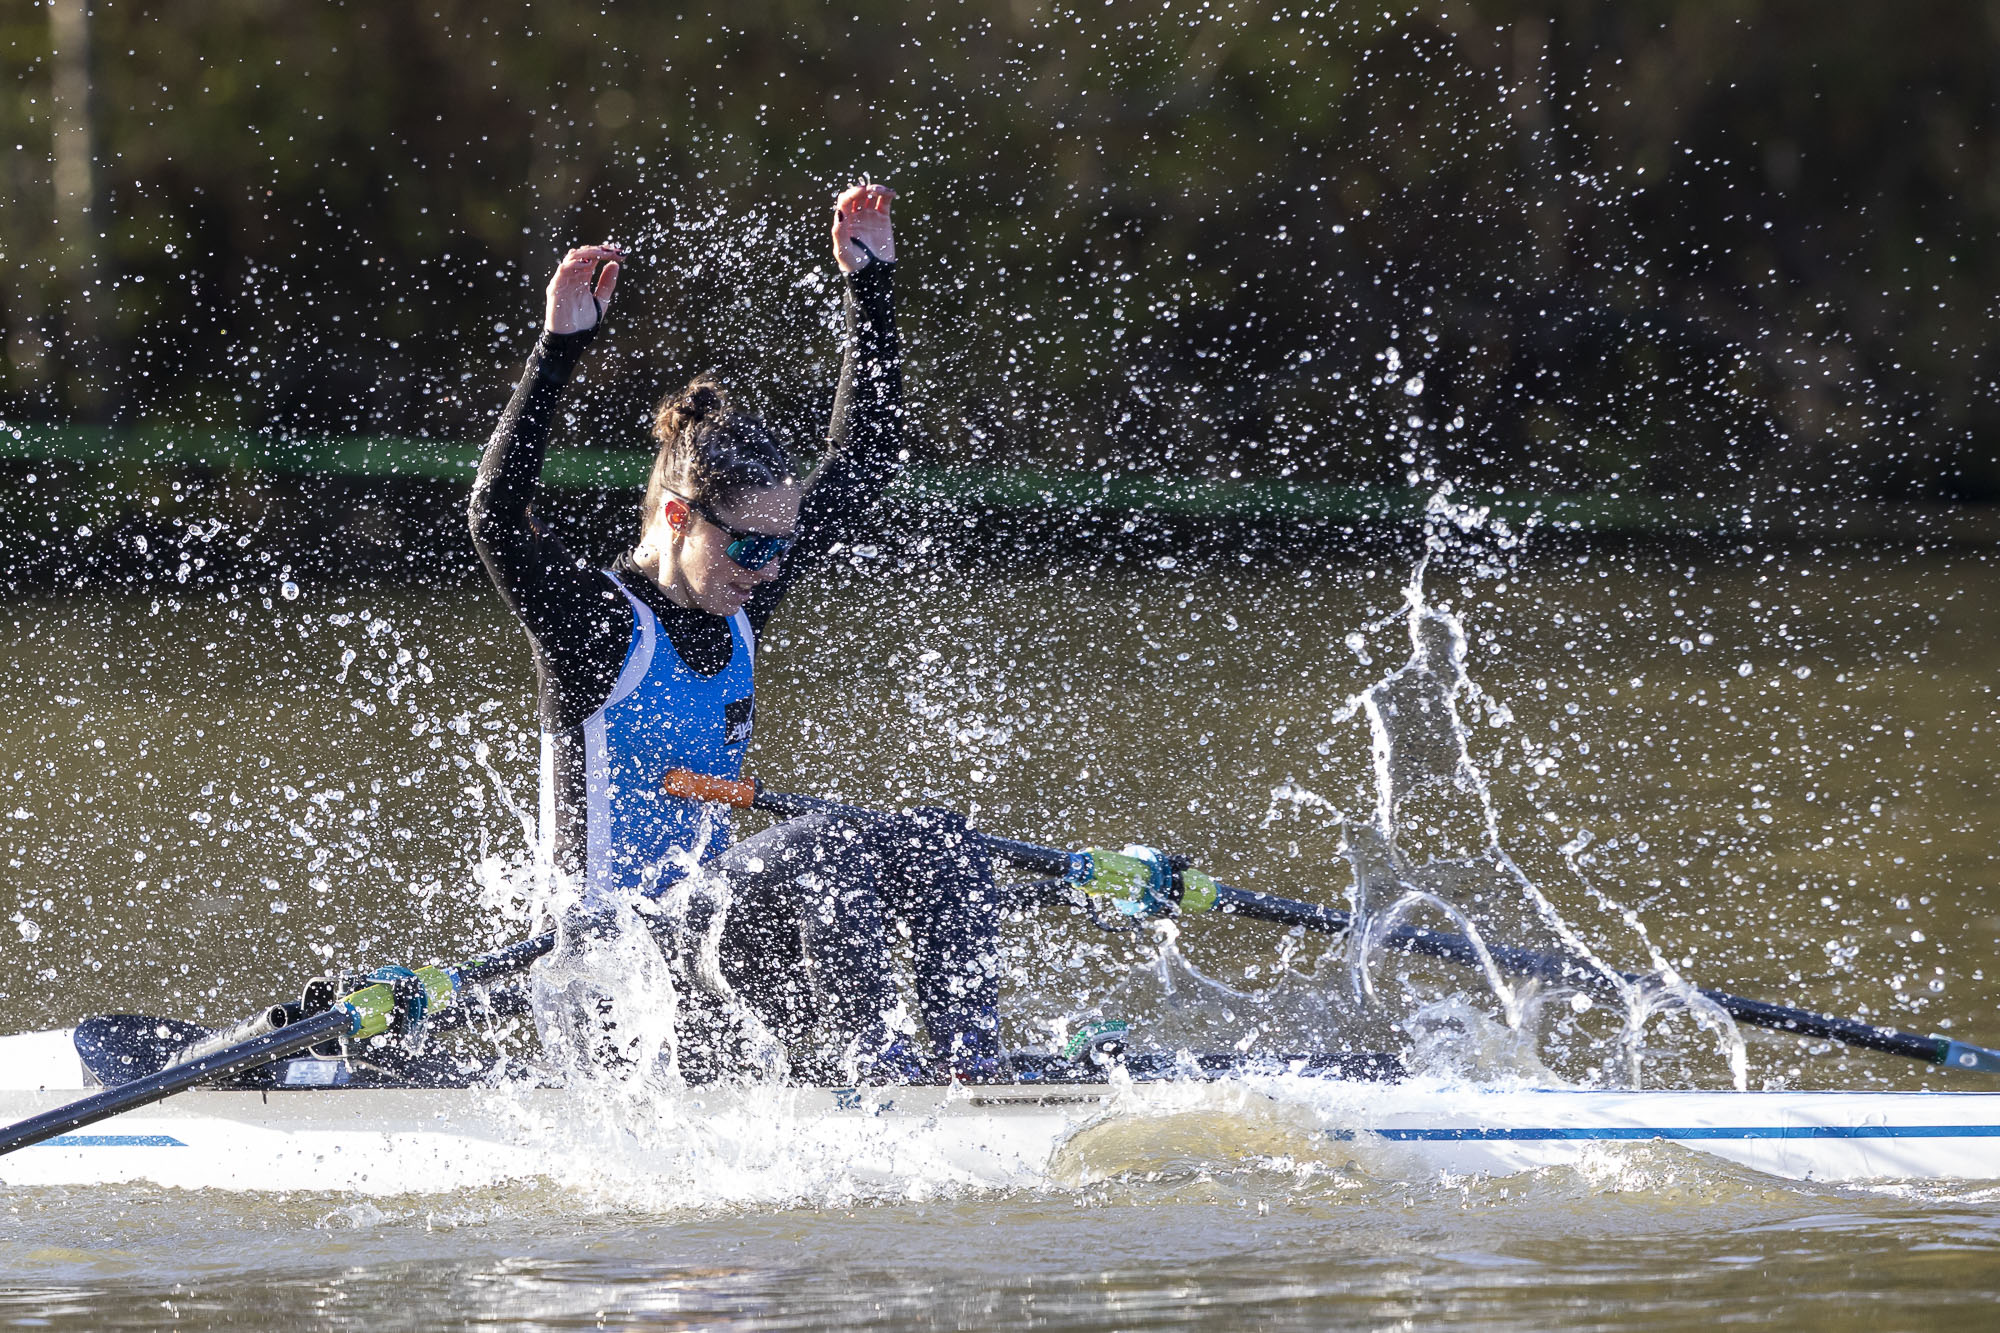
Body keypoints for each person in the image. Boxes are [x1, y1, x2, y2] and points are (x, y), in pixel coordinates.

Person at [469, 184, 1001, 1083]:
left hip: (708, 957)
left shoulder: (742, 595)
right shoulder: (596, 627)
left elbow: (865, 463)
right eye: (750, 544)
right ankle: (873, 1074)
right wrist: (559, 348)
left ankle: (973, 1070)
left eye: (781, 546)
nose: (767, 566)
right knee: (827, 843)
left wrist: (870, 286)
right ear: (677, 516)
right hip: (614, 979)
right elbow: (494, 516)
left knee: (937, 837)